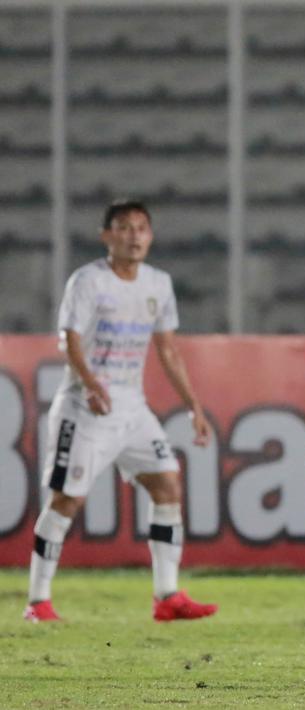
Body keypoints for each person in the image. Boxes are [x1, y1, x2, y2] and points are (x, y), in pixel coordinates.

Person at [25, 199, 216, 623]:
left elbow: (167, 349)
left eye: (141, 228)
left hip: (132, 409)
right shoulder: (88, 282)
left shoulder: (157, 284)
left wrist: (194, 406)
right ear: (106, 236)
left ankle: (166, 596)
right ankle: (37, 601)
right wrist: (91, 384)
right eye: (124, 228)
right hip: (85, 407)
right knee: (65, 501)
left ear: (150, 235)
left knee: (168, 486)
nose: (134, 236)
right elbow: (69, 340)